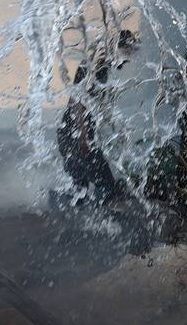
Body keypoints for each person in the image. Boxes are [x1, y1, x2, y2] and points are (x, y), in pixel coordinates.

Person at [56, 31, 135, 206]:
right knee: (105, 185)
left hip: (72, 132)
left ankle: (61, 206)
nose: (128, 58)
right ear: (116, 47)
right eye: (127, 52)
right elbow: (77, 102)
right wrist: (84, 137)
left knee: (80, 190)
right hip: (74, 134)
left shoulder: (100, 66)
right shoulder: (94, 66)